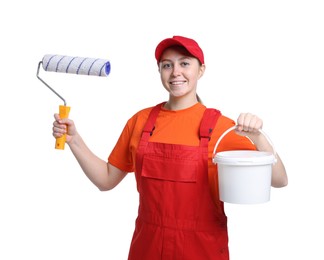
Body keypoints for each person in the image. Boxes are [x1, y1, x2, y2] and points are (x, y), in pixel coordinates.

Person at [52, 35, 288, 260]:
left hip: (201, 251)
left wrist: (258, 137)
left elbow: (279, 180)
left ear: (201, 70)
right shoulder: (140, 122)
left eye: (185, 63)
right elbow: (106, 180)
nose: (176, 72)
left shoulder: (221, 128)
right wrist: (74, 140)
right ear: (160, 71)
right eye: (167, 65)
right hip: (148, 248)